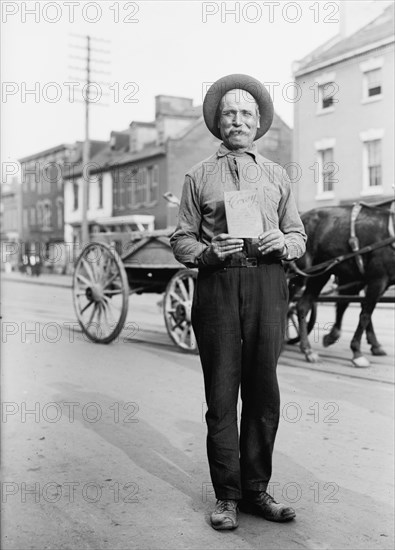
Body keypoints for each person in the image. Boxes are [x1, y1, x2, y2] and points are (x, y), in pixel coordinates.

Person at [170, 74, 307, 531]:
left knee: (264, 392)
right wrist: (208, 253)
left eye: (246, 113)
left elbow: (298, 235)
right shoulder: (199, 175)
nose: (238, 120)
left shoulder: (277, 175)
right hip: (219, 287)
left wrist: (282, 242)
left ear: (257, 121)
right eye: (230, 112)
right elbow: (181, 238)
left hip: (268, 285)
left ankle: (256, 491)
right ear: (218, 121)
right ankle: (227, 496)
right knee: (222, 394)